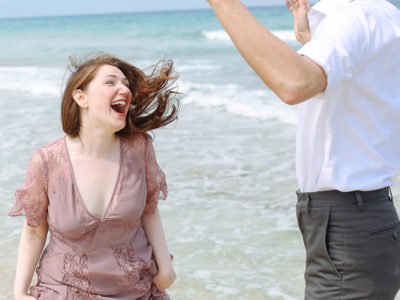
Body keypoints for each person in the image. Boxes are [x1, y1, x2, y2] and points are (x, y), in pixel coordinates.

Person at [206, 0, 400, 298]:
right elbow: (359, 93)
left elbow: (296, 83)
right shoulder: (382, 15)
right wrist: (313, 43)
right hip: (365, 219)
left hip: (347, 223)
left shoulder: (354, 17)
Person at [9, 53, 178, 300]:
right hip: (64, 291)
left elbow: (149, 209)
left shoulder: (139, 149)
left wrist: (166, 269)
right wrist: (19, 293)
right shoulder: (47, 160)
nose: (124, 89)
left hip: (137, 290)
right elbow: (34, 231)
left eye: (126, 84)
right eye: (110, 82)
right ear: (81, 97)